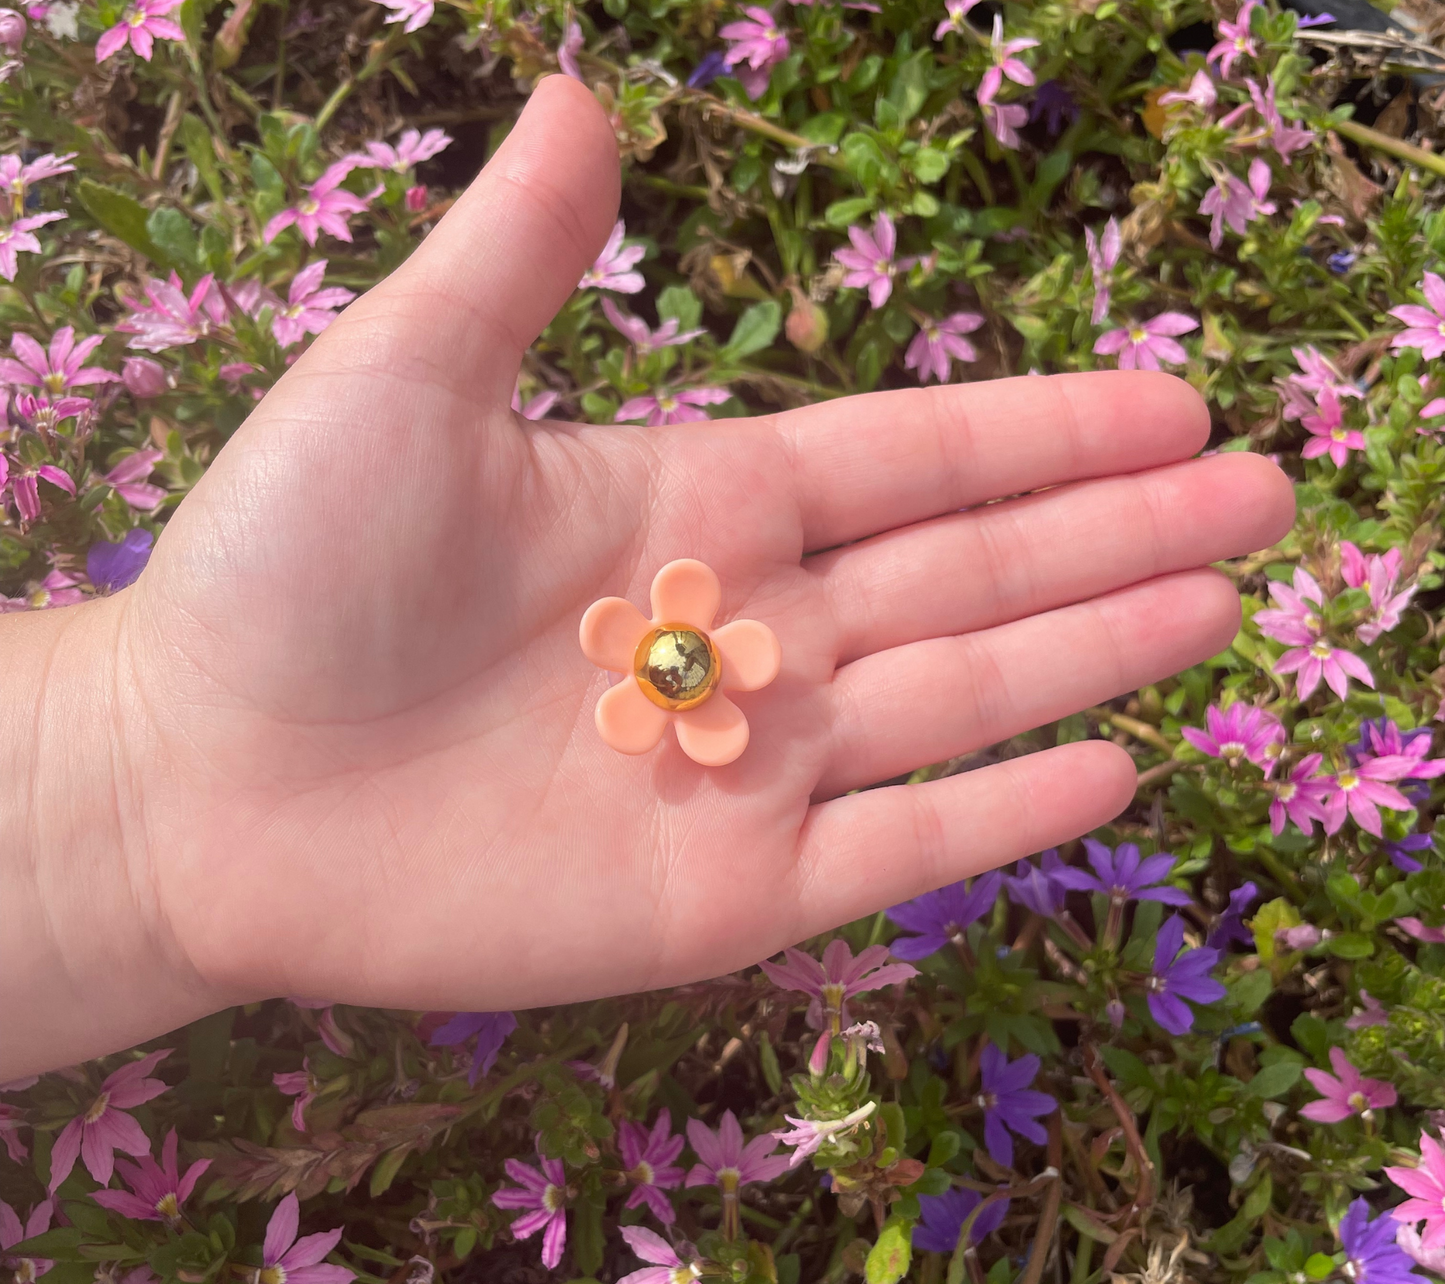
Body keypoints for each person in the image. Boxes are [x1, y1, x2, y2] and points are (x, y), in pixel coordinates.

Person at [0, 78, 1293, 1080]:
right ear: (659, 659)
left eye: (678, 662)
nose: (676, 664)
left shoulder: (688, 663)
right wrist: (139, 776)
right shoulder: (654, 665)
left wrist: (137, 776)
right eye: (672, 662)